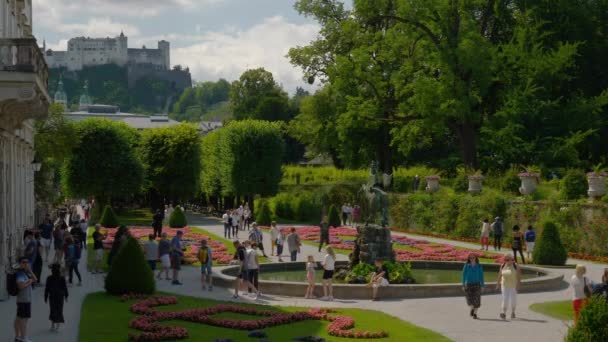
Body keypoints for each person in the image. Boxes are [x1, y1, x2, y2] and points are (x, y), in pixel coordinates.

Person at [14, 256, 37, 342]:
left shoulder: (26, 272)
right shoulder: (20, 274)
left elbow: (35, 279)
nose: (26, 263)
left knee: (18, 318)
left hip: (25, 299)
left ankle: (17, 337)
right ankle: (24, 338)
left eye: (27, 262)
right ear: (20, 263)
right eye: (24, 262)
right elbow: (20, 286)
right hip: (24, 299)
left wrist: (30, 270)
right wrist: (29, 282)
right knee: (24, 319)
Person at [44, 263, 68, 332]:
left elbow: (47, 288)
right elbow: (65, 288)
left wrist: (45, 297)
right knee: (59, 309)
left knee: (53, 309)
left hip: (52, 296)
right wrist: (66, 296)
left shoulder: (49, 278)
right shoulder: (62, 278)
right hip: (60, 296)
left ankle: (53, 325)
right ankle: (57, 325)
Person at [496, 255, 521, 319]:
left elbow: (519, 276)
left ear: (512, 260)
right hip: (504, 285)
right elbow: (499, 275)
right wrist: (498, 284)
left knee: (513, 300)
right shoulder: (503, 265)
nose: (507, 261)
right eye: (506, 260)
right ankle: (503, 313)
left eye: (508, 260)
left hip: (513, 286)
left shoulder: (516, 266)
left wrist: (518, 285)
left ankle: (513, 312)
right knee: (505, 299)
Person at [462, 253, 485, 319]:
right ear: (469, 259)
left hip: (477, 284)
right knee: (469, 300)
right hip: (468, 285)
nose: (472, 259)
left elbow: (481, 276)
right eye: (470, 258)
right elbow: (463, 276)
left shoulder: (479, 266)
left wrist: (483, 285)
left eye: (473, 258)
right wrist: (463, 285)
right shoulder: (466, 266)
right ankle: (472, 308)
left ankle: (475, 314)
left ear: (476, 258)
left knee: (477, 300)